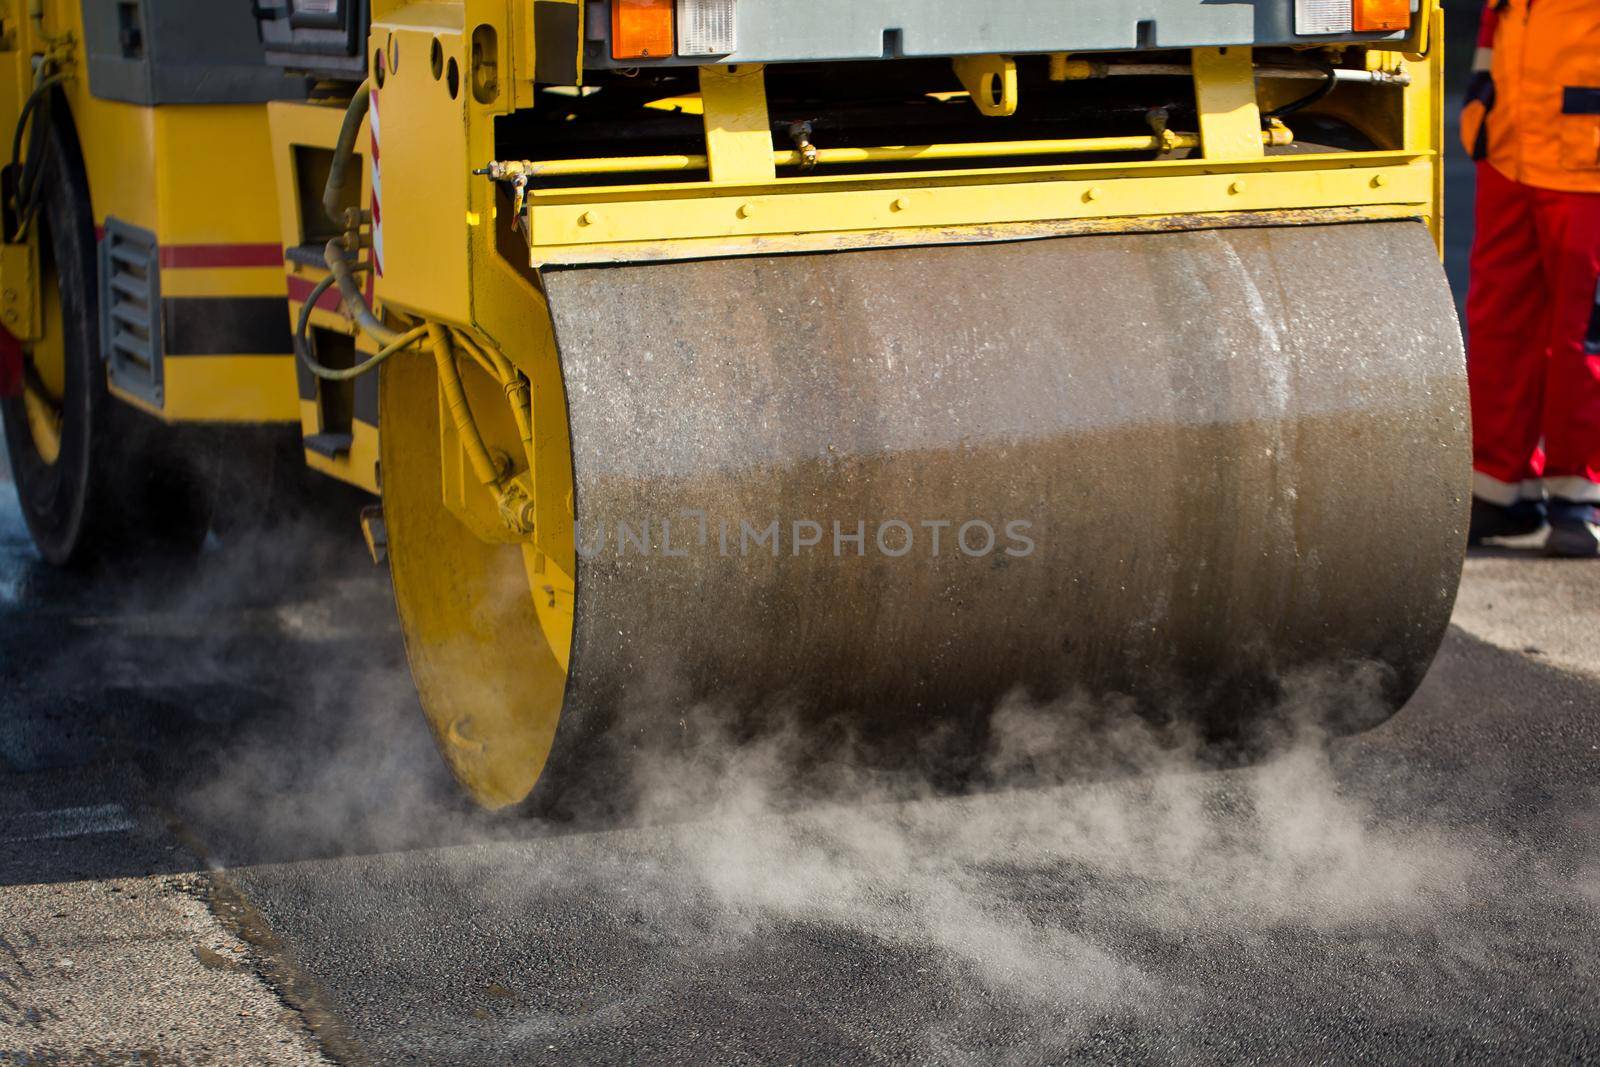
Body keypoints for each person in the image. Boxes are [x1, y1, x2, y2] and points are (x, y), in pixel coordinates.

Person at [1462, 0, 1600, 556]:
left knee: (1583, 337)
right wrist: (1481, 101)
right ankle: (1500, 490)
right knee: (1498, 326)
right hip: (1511, 145)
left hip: (1585, 154)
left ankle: (1582, 494)